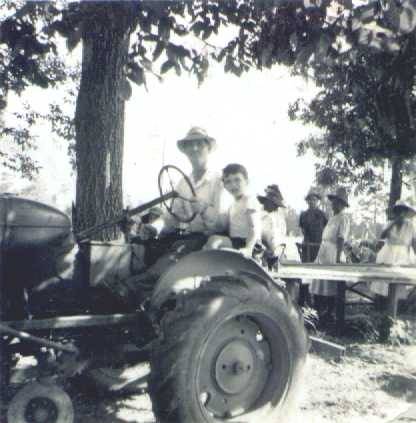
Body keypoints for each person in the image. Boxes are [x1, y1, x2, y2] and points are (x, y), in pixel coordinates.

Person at [204, 163, 262, 257]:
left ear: (247, 181)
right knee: (210, 240)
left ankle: (207, 262)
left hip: (249, 243)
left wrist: (249, 248)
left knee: (214, 241)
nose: (233, 185)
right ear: (224, 186)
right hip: (236, 241)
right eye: (228, 182)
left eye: (237, 180)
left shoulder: (248, 200)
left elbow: (254, 227)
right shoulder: (233, 204)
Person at [310, 187, 350, 322]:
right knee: (319, 282)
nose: (334, 204)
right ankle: (319, 312)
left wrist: (338, 258)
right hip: (324, 251)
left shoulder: (343, 218)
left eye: (337, 202)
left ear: (342, 204)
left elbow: (341, 238)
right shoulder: (333, 218)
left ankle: (330, 313)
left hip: (333, 251)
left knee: (330, 285)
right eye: (333, 201)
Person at [370, 198, 416, 301]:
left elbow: (414, 243)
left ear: (406, 212)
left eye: (403, 211)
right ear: (395, 212)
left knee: (399, 280)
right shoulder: (390, 223)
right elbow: (382, 236)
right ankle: (380, 301)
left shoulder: (410, 225)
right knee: (383, 281)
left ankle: (395, 303)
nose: (401, 213)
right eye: (398, 210)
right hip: (388, 253)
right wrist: (393, 223)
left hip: (402, 255)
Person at [257, 184, 287, 264]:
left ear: (275, 205)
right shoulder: (260, 216)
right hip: (260, 252)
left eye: (268, 202)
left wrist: (273, 251)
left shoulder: (278, 219)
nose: (265, 204)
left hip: (274, 253)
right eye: (265, 202)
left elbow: (279, 240)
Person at [299, 188, 328, 263]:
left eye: (314, 200)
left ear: (317, 201)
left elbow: (326, 228)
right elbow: (302, 229)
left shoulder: (322, 214)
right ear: (307, 201)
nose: (312, 202)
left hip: (318, 245)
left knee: (318, 265)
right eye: (310, 200)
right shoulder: (303, 215)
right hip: (306, 245)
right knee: (305, 264)